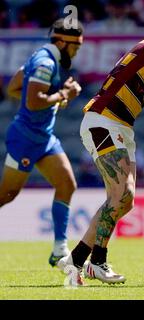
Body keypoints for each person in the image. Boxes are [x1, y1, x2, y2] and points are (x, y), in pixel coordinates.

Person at [57, 14, 144, 286]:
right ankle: (97, 262)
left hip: (122, 128)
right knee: (121, 193)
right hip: (103, 119)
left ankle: (76, 259)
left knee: (125, 199)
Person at [1, 18, 83, 267]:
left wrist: (54, 99)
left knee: (67, 184)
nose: (76, 52)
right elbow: (33, 101)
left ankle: (59, 250)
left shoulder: (42, 57)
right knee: (7, 194)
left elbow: (14, 88)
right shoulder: (46, 63)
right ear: (61, 41)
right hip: (26, 139)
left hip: (44, 138)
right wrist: (63, 95)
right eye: (75, 47)